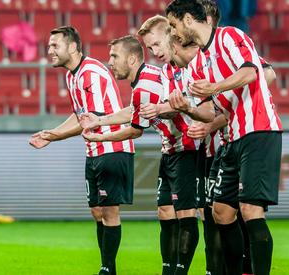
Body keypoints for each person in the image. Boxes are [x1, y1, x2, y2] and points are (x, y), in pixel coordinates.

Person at [80, 28, 215, 275]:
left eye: (114, 57)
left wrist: (101, 135)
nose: (110, 63)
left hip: (188, 147)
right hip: (170, 149)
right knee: (165, 211)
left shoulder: (146, 84)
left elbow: (134, 129)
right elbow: (134, 111)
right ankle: (171, 270)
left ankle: (202, 269)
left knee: (194, 213)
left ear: (131, 59)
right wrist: (99, 121)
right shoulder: (146, 80)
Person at [166, 1, 283, 275]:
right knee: (221, 212)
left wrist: (215, 86)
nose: (173, 32)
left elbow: (252, 72)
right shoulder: (199, 65)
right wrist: (188, 108)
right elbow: (210, 112)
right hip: (231, 138)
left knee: (250, 210)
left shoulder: (230, 35)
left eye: (173, 25)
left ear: (187, 19)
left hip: (259, 130)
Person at [28, 26, 134, 275]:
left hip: (112, 146)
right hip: (94, 149)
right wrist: (51, 133)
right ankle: (108, 267)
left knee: (109, 211)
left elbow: (90, 121)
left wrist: (54, 138)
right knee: (97, 212)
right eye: (49, 45)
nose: (50, 50)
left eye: (55, 45)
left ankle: (107, 269)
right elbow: (79, 116)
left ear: (73, 47)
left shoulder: (92, 73)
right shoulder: (72, 75)